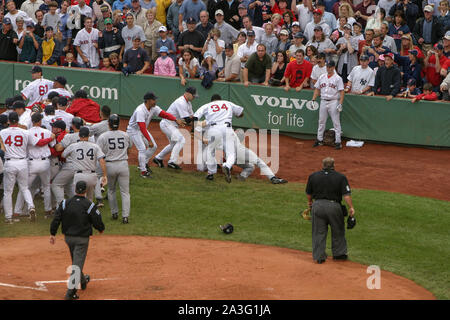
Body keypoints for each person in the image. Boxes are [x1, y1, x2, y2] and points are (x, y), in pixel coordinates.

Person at [50, 180, 105, 300]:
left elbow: (56, 218)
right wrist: (101, 229)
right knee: (77, 265)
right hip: (82, 240)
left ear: (75, 190)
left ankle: (83, 281)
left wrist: (52, 233)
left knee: (76, 261)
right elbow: (97, 219)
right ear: (85, 191)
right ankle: (71, 292)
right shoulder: (89, 204)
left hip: (68, 239)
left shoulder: (65, 203)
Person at [1, 111, 55, 224]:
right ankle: (31, 206)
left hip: (10, 162)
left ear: (8, 121)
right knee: (25, 188)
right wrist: (51, 138)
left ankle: (9, 217)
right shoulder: (25, 132)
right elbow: (40, 142)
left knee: (8, 192)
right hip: (23, 163)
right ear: (18, 121)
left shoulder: (2, 132)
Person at [305, 157, 355, 264]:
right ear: (334, 165)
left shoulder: (313, 176)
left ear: (322, 165)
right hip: (334, 206)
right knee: (338, 230)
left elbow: (309, 193)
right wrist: (351, 207)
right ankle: (339, 254)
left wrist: (310, 203)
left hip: (317, 206)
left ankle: (319, 257)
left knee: (318, 232)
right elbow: (346, 195)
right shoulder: (341, 177)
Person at [127, 91, 184, 177]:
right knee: (142, 149)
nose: (155, 101)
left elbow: (164, 114)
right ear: (148, 100)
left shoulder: (154, 108)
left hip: (142, 130)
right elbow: (141, 127)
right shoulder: (140, 110)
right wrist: (149, 140)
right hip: (133, 130)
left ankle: (143, 164)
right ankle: (143, 172)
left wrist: (175, 119)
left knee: (154, 146)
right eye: (154, 99)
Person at [193, 93, 244, 182]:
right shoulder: (228, 103)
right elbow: (241, 113)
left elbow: (195, 117)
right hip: (227, 128)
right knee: (231, 153)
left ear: (212, 101)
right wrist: (237, 115)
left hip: (214, 129)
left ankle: (210, 174)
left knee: (210, 152)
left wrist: (192, 127)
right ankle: (227, 165)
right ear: (220, 100)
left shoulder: (207, 106)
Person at [97, 114, 131, 223]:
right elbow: (129, 149)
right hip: (123, 164)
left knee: (111, 190)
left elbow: (98, 152)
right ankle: (125, 217)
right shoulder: (125, 135)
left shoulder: (103, 136)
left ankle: (114, 213)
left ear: (109, 124)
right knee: (125, 192)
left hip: (110, 165)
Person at [153, 87, 196, 170]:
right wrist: (194, 122)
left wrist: (193, 129)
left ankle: (158, 158)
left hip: (172, 125)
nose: (194, 97)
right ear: (187, 93)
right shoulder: (181, 102)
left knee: (173, 144)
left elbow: (193, 118)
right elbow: (187, 120)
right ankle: (172, 162)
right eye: (193, 95)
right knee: (181, 140)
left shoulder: (188, 104)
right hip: (167, 124)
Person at [61, 126, 107, 202]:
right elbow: (102, 160)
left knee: (79, 200)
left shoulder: (73, 146)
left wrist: (73, 155)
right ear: (88, 136)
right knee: (89, 200)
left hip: (79, 176)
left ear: (79, 135)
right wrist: (104, 175)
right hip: (92, 176)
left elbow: (63, 155)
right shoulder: (95, 146)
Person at [311, 60, 345, 150]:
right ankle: (319, 139)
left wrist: (340, 103)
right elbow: (317, 89)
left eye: (330, 67)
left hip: (334, 101)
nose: (328, 68)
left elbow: (342, 91)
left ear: (334, 67)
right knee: (321, 121)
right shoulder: (322, 77)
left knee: (336, 123)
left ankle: (338, 142)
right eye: (327, 67)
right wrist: (313, 99)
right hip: (323, 101)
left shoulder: (338, 78)